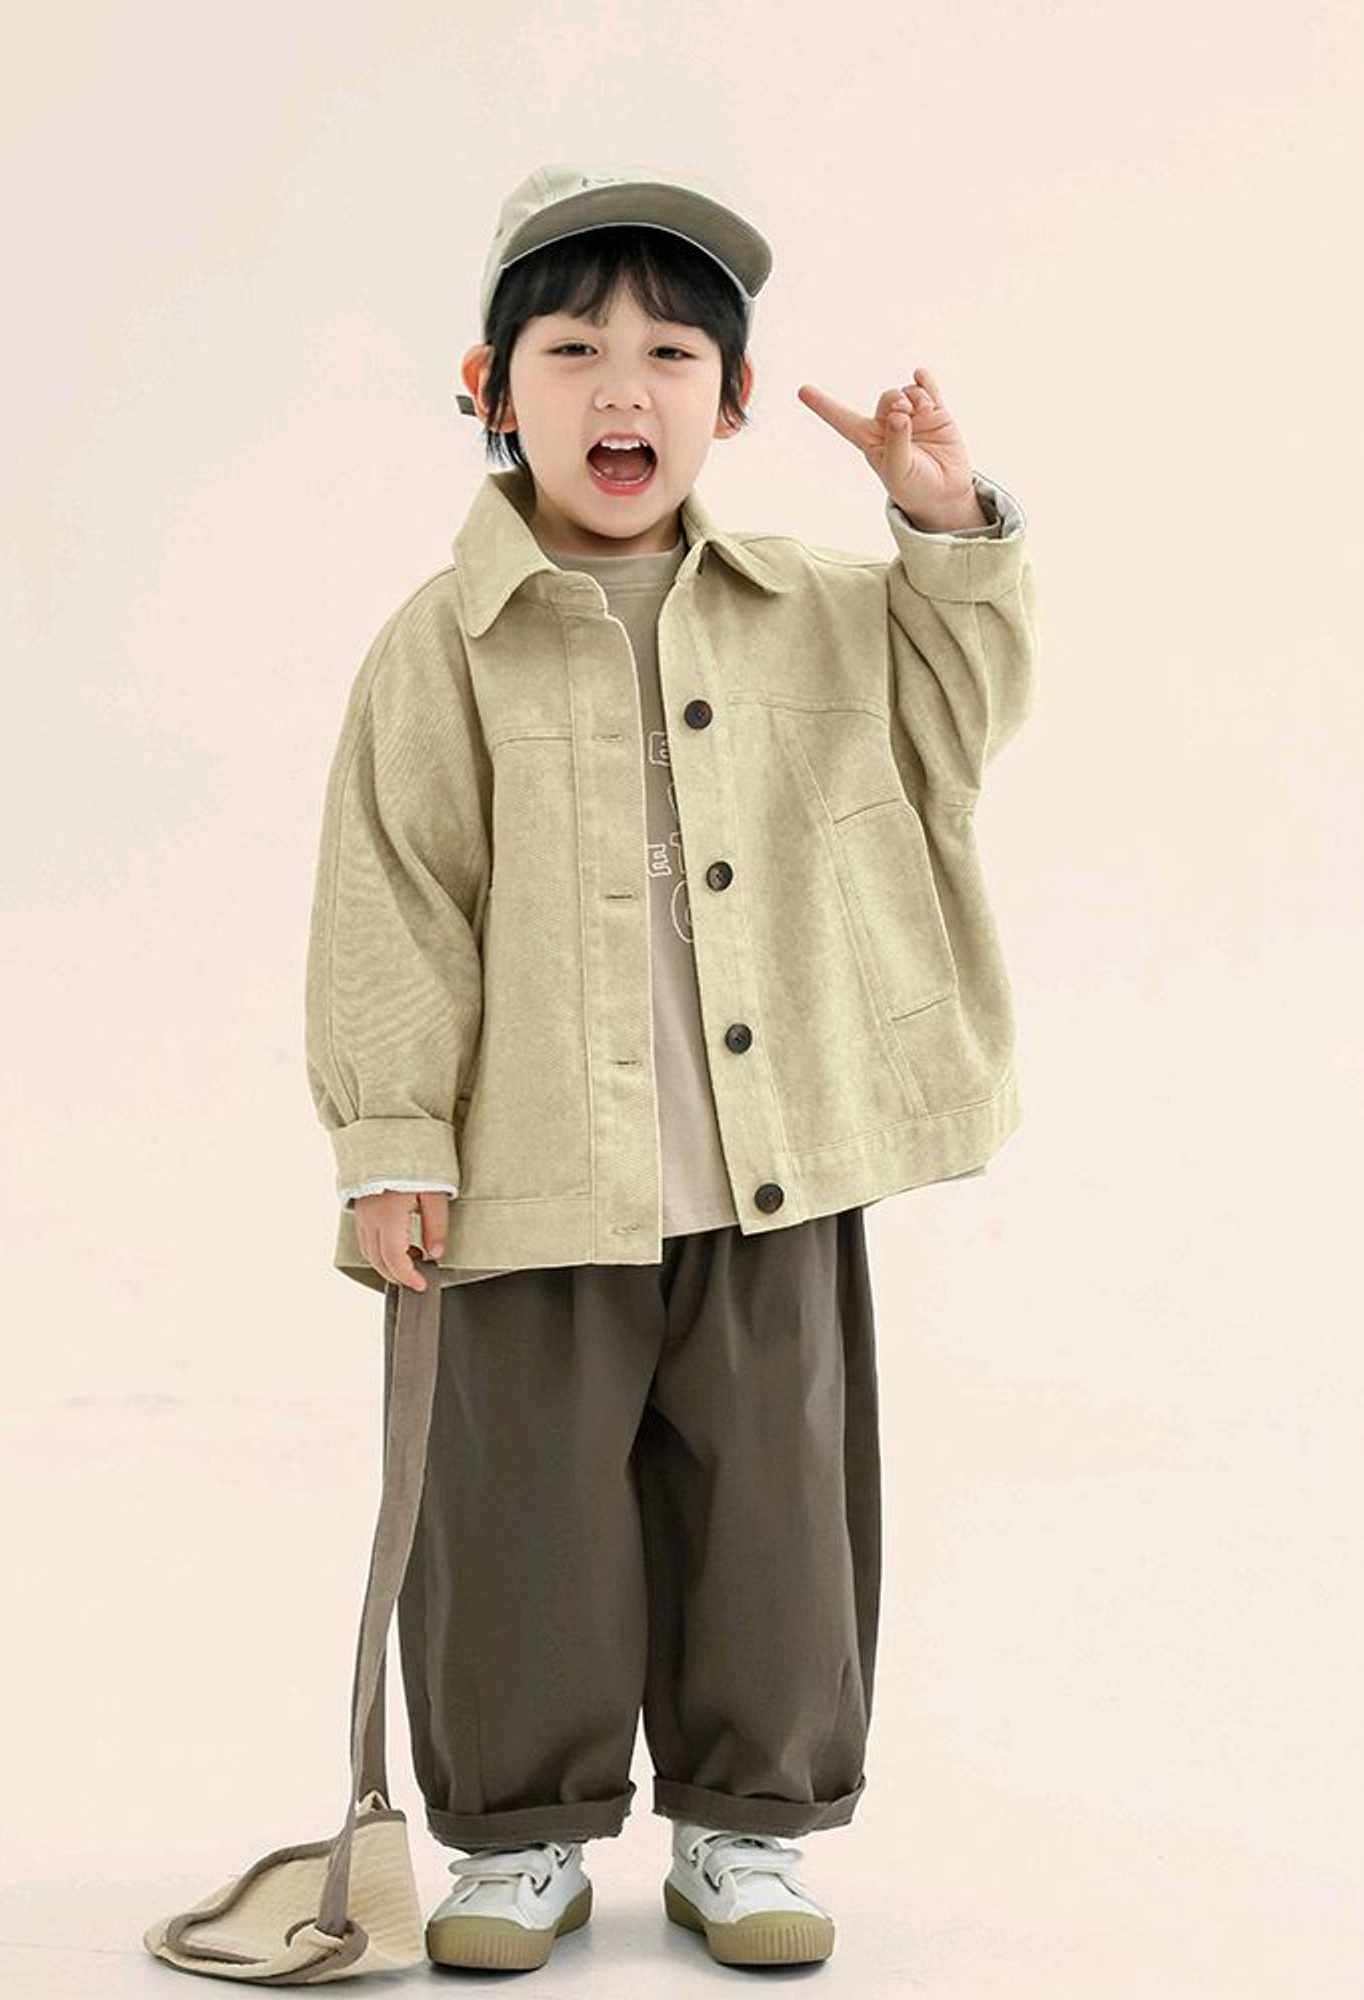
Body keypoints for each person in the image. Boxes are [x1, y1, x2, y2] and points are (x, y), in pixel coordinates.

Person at [302, 160, 1040, 1972]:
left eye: (669, 354)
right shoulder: (440, 646)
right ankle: (518, 1843)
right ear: (488, 389)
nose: (620, 388)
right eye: (571, 349)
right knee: (521, 1516)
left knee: (775, 1506)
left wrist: (944, 521)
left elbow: (970, 715)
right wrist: (392, 1137)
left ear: (732, 398)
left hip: (766, 1165)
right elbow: (394, 901)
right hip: (527, 1180)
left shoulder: (818, 609)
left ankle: (746, 1833)